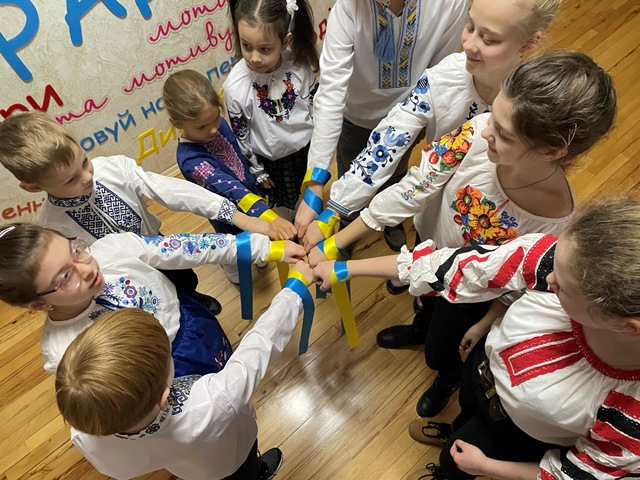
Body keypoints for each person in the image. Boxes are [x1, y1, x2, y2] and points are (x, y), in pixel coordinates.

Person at [309, 51, 616, 419]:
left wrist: (487, 320)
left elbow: (518, 283)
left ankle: (447, 377)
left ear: (552, 150)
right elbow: (414, 188)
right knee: (422, 303)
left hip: (470, 292)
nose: (486, 130)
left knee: (442, 351)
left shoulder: (555, 226)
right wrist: (337, 241)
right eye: (493, 116)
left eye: (503, 133)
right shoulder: (477, 132)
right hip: (427, 249)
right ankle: (420, 327)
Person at [313, 196, 640, 480]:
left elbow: (579, 473)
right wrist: (346, 269)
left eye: (563, 287)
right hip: (482, 371)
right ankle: (457, 429)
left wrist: (486, 466)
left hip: (514, 436)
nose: (549, 278)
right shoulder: (551, 262)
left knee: (455, 463)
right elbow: (458, 267)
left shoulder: (631, 412)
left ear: (627, 326)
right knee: (466, 414)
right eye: (554, 264)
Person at [302, 0, 559, 253]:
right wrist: (335, 206)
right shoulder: (444, 77)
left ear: (529, 42)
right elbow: (391, 142)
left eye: (489, 39)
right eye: (469, 26)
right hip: (432, 213)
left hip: (489, 240)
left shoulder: (536, 110)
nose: (468, 45)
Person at [56, 261, 315, 480]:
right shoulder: (213, 401)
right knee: (243, 472)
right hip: (231, 460)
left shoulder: (86, 431)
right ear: (163, 397)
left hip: (194, 470)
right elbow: (260, 347)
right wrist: (294, 290)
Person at [0, 111, 276, 314]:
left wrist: (235, 215)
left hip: (160, 245)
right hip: (121, 279)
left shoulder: (112, 169)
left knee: (185, 280)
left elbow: (171, 190)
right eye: (70, 180)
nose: (87, 177)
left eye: (84, 162)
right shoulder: (51, 230)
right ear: (34, 187)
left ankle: (193, 299)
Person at [0, 222, 305, 375]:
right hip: (163, 376)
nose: (87, 267)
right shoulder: (62, 351)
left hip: (192, 322)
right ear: (38, 303)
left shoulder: (112, 250)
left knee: (226, 367)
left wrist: (260, 248)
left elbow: (185, 247)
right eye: (66, 276)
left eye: (75, 250)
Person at [294, 0, 469, 251]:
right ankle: (347, 222)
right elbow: (331, 92)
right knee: (350, 169)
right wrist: (315, 182)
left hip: (409, 114)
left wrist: (424, 119)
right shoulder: (349, 8)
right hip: (356, 116)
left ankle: (388, 219)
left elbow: (440, 70)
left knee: (395, 173)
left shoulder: (449, 4)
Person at [223, 0, 319, 223]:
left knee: (310, 203)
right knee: (281, 212)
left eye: (265, 49)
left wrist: (319, 154)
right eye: (246, 46)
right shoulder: (235, 87)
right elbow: (241, 136)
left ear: (285, 41)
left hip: (307, 151)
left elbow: (317, 108)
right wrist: (257, 171)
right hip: (272, 162)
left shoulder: (300, 67)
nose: (255, 57)